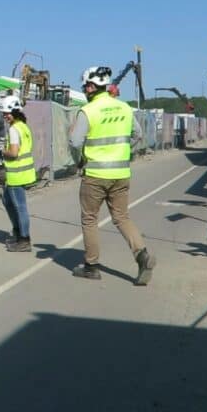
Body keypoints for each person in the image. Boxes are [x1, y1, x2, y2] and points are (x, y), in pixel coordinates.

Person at [68, 66, 156, 284]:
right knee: (121, 217)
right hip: (121, 172)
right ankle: (142, 255)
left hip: (96, 174)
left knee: (89, 219)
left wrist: (80, 159)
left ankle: (91, 266)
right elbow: (138, 134)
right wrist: (124, 152)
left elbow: (75, 142)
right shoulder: (124, 107)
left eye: (85, 86)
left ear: (90, 87)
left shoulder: (88, 111)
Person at [0, 95, 37, 252]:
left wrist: (2, 151)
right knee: (7, 201)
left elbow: (13, 153)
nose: (5, 116)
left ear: (14, 112)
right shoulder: (23, 126)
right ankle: (17, 231)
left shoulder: (14, 129)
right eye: (4, 114)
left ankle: (23, 239)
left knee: (20, 207)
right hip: (24, 172)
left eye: (7, 113)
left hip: (17, 173)